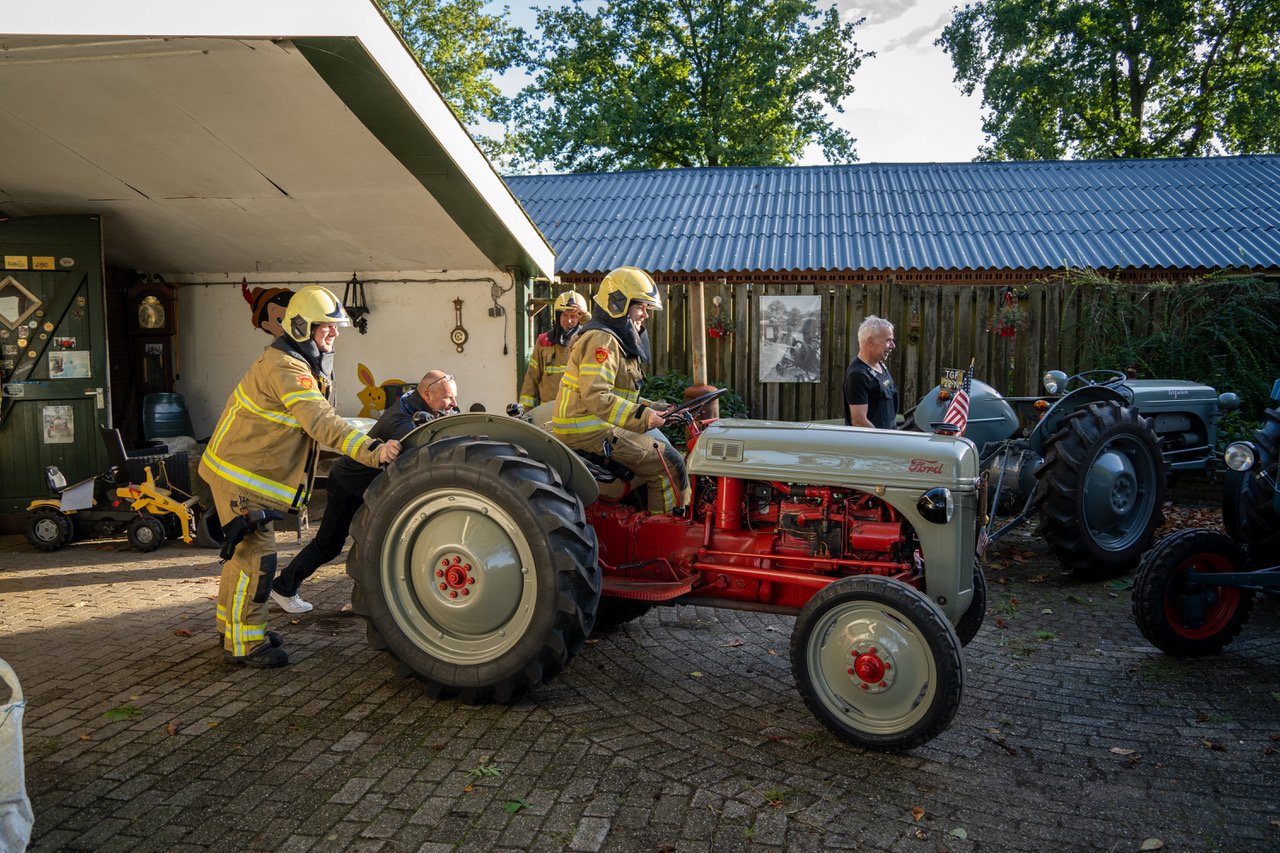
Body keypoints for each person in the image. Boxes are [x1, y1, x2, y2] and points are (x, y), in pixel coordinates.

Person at [199, 285, 401, 667]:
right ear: (302, 327)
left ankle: (233, 630)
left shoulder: (296, 361)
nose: (336, 334)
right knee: (258, 561)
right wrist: (372, 451)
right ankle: (247, 645)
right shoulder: (286, 368)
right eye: (328, 327)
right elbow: (321, 421)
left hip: (237, 473)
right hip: (242, 479)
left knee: (241, 557)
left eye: (336, 327)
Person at [270, 370, 459, 613]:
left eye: (453, 397)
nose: (453, 404)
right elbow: (426, 450)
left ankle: (364, 598)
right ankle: (283, 586)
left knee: (374, 542)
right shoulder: (403, 423)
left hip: (370, 486)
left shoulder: (425, 404)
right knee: (329, 545)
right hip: (348, 484)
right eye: (448, 399)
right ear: (426, 393)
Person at [552, 266, 690, 514]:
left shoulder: (613, 338)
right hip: (589, 429)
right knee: (668, 464)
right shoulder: (602, 340)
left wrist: (656, 409)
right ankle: (668, 534)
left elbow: (620, 395)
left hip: (598, 424)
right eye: (641, 307)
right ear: (619, 305)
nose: (645, 315)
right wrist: (645, 417)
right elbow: (597, 396)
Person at [518, 291, 589, 410]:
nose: (569, 320)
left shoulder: (586, 340)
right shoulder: (543, 341)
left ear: (580, 318)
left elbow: (601, 333)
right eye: (564, 315)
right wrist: (524, 412)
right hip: (547, 411)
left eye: (573, 316)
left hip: (576, 411)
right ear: (557, 316)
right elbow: (531, 379)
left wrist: (587, 318)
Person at [843, 316, 898, 429]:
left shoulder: (880, 365)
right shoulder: (857, 375)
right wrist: (883, 442)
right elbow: (859, 422)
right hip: (876, 444)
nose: (893, 345)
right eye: (888, 340)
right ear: (870, 341)